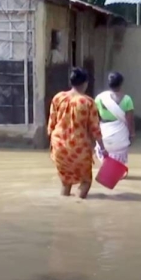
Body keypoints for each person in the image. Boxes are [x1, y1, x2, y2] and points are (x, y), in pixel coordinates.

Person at [47, 67, 108, 199]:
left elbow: (51, 125)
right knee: (86, 181)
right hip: (79, 148)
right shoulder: (88, 102)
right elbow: (95, 129)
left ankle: (65, 207)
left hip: (59, 146)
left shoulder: (58, 98)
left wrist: (52, 146)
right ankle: (79, 206)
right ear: (85, 83)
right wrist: (103, 149)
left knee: (65, 182)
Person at [94, 71, 135, 165]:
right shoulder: (127, 99)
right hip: (121, 138)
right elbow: (130, 121)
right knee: (120, 161)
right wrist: (132, 135)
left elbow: (95, 119)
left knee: (105, 160)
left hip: (104, 135)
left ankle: (106, 172)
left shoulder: (100, 98)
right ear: (121, 83)